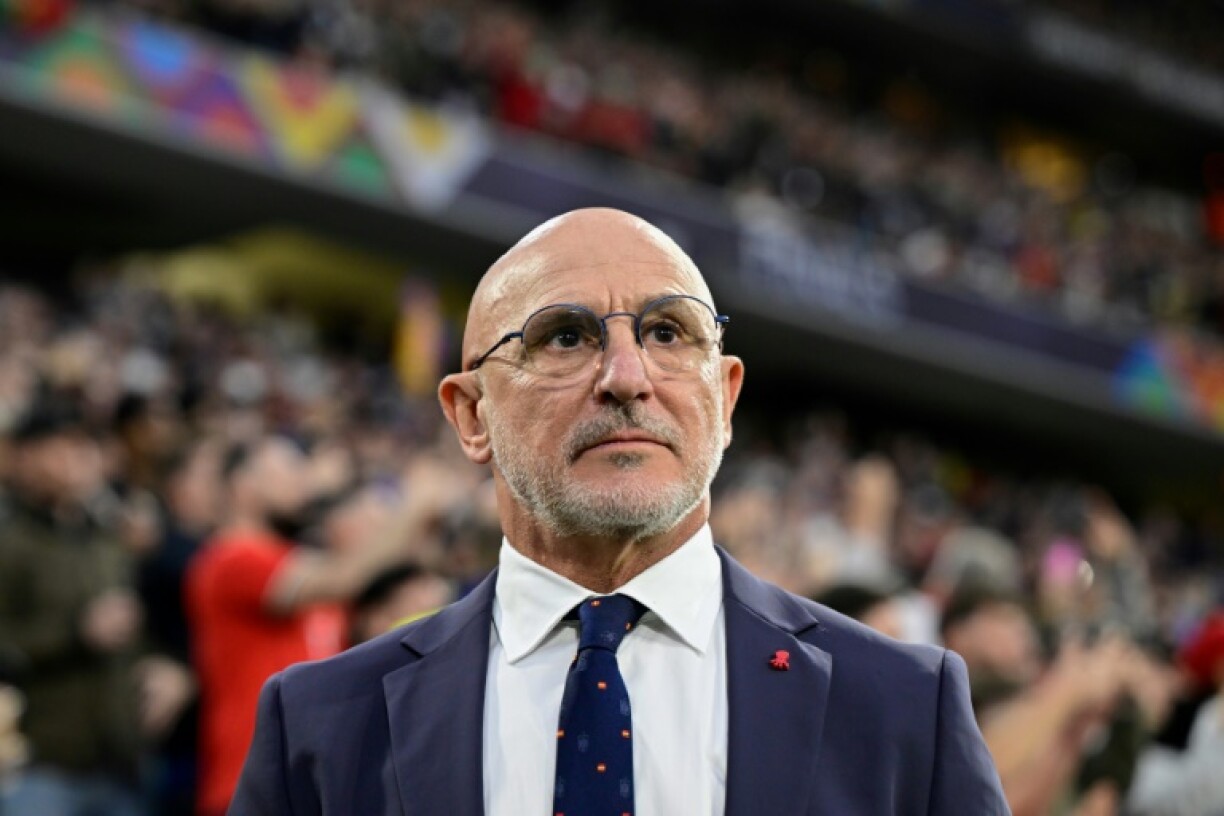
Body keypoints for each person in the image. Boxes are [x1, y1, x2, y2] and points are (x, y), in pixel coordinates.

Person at [230, 208, 1008, 814]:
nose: (627, 376)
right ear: (471, 416)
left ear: (727, 397)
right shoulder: (322, 724)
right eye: (565, 337)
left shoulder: (907, 706)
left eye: (669, 332)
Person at [186, 435, 455, 816]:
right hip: (249, 782)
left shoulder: (295, 559)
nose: (303, 480)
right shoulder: (232, 557)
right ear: (244, 484)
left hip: (313, 778)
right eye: (287, 469)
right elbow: (344, 577)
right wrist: (414, 505)